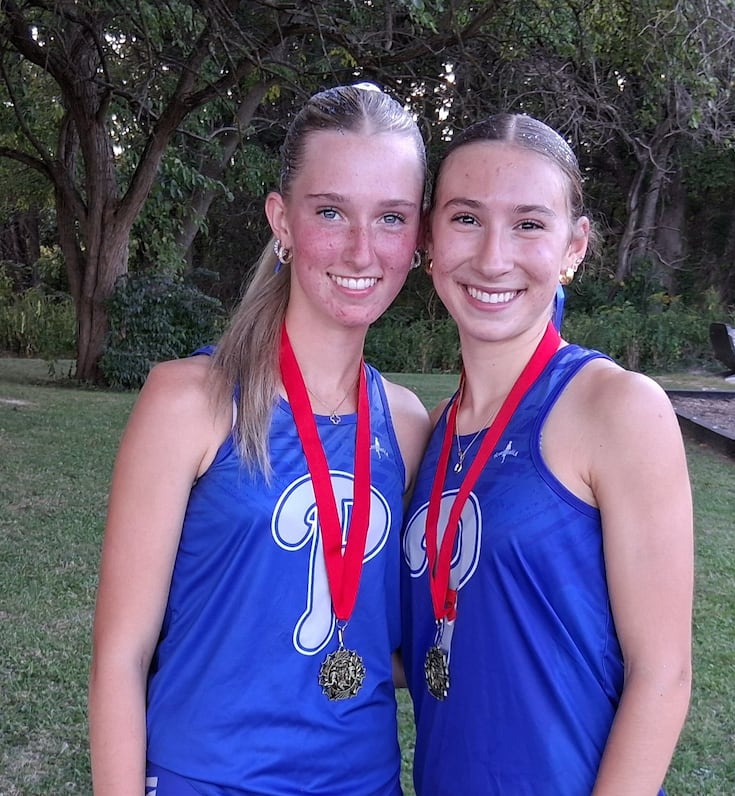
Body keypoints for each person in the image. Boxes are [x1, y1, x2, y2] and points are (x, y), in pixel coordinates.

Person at [89, 83, 431, 796]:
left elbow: (390, 635)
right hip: (206, 780)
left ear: (417, 237)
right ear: (282, 219)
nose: (362, 248)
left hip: (362, 783)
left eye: (391, 217)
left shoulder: (406, 424)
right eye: (330, 211)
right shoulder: (189, 400)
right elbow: (121, 657)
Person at [401, 113, 694, 795]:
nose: (493, 257)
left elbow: (663, 676)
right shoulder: (436, 430)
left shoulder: (618, 408)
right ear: (429, 239)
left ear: (574, 245)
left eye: (529, 224)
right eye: (466, 219)